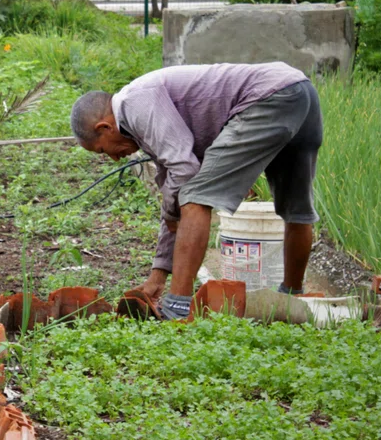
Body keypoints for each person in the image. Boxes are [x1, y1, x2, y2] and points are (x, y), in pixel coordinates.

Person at [69, 63, 322, 321]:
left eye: (102, 151)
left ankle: (176, 308)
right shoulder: (138, 118)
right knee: (296, 208)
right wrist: (158, 274)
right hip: (299, 91)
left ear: (104, 128)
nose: (113, 159)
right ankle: (292, 298)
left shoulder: (135, 103)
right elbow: (172, 190)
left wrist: (171, 210)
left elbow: (184, 171)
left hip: (266, 98)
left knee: (194, 196)